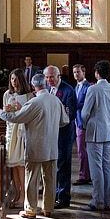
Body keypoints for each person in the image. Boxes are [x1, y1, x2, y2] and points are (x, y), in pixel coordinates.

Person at [0, 73, 68, 219]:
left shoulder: (35, 102)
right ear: (45, 84)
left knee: (32, 178)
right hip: (52, 146)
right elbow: (64, 121)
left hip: (36, 146)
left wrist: (0, 113)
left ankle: (31, 209)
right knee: (50, 178)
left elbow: (16, 117)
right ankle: (48, 208)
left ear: (34, 86)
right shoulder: (55, 100)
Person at [81, 59, 110, 211]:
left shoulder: (93, 89)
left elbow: (85, 112)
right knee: (106, 166)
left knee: (96, 167)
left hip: (95, 131)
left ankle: (97, 200)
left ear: (97, 72)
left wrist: (84, 125)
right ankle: (107, 200)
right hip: (108, 130)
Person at [44, 64, 77, 209]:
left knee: (63, 163)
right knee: (52, 163)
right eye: (47, 77)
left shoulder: (67, 90)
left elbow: (71, 113)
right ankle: (53, 192)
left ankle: (63, 197)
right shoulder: (47, 89)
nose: (49, 80)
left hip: (63, 132)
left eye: (51, 77)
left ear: (58, 76)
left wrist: (62, 113)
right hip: (50, 132)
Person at [3, 69, 32, 208]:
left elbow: (30, 115)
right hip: (11, 130)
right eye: (12, 79)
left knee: (21, 165)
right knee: (13, 165)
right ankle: (17, 193)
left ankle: (24, 196)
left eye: (16, 79)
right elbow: (4, 113)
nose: (13, 82)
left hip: (22, 131)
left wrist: (21, 109)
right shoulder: (7, 94)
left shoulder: (29, 96)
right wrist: (7, 110)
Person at [71, 63, 92, 186]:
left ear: (83, 73)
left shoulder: (87, 87)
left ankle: (84, 175)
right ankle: (84, 174)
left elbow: (86, 104)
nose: (76, 74)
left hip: (83, 121)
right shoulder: (77, 86)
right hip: (76, 120)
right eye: (74, 72)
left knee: (82, 150)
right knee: (80, 149)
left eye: (78, 72)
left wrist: (71, 106)